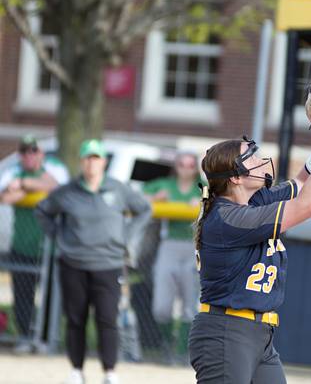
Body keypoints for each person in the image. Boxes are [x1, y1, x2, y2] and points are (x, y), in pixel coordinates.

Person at [189, 101, 311, 384]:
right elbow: (309, 206)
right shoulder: (228, 217)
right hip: (226, 333)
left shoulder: (253, 201)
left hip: (259, 335)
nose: (260, 160)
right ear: (235, 177)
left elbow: (302, 183)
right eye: (251, 158)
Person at [35, 139, 152, 384]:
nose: (91, 163)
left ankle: (109, 371)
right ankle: (76, 370)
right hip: (73, 263)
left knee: (107, 318)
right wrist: (58, 236)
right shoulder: (67, 191)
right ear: (81, 161)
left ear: (104, 162)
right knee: (75, 318)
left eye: (96, 157)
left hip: (108, 264)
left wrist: (127, 237)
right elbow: (43, 210)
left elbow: (144, 209)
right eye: (87, 157)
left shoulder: (118, 189)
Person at [0, 135, 69, 353]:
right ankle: (25, 337)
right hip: (22, 245)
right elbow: (5, 197)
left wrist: (24, 185)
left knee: (51, 296)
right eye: (25, 151)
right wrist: (35, 188)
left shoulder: (53, 168)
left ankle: (46, 339)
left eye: (33, 151)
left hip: (51, 247)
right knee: (22, 295)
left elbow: (57, 187)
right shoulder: (12, 171)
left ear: (41, 153)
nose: (29, 155)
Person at [142, 152, 203, 364]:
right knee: (161, 307)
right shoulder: (165, 184)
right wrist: (155, 198)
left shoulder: (202, 186)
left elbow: (222, 200)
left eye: (190, 165)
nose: (186, 168)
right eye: (181, 164)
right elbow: (137, 197)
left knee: (190, 304)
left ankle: (182, 352)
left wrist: (203, 201)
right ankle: (166, 344)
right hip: (169, 244)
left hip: (195, 246)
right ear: (176, 166)